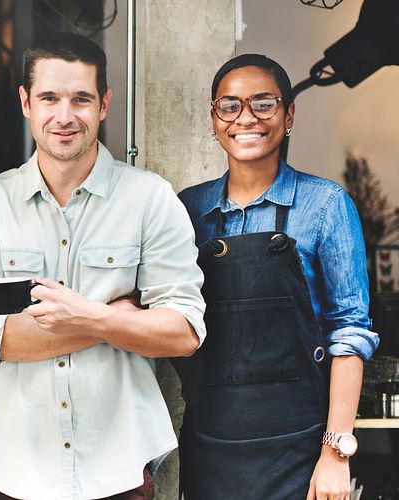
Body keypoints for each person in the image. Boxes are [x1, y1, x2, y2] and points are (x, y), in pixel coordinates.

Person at [0, 33, 207, 500]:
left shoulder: (150, 199)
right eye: (49, 97)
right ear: (26, 102)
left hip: (118, 468)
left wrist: (88, 317)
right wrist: (118, 319)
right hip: (11, 466)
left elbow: (184, 333)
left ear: (105, 104)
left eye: (81, 99)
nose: (65, 116)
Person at [177, 54, 378, 500]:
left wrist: (335, 455)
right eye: (229, 105)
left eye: (263, 104)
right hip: (210, 445)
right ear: (214, 121)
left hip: (301, 449)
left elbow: (350, 333)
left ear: (288, 116)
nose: (245, 118)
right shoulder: (188, 210)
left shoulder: (326, 205)